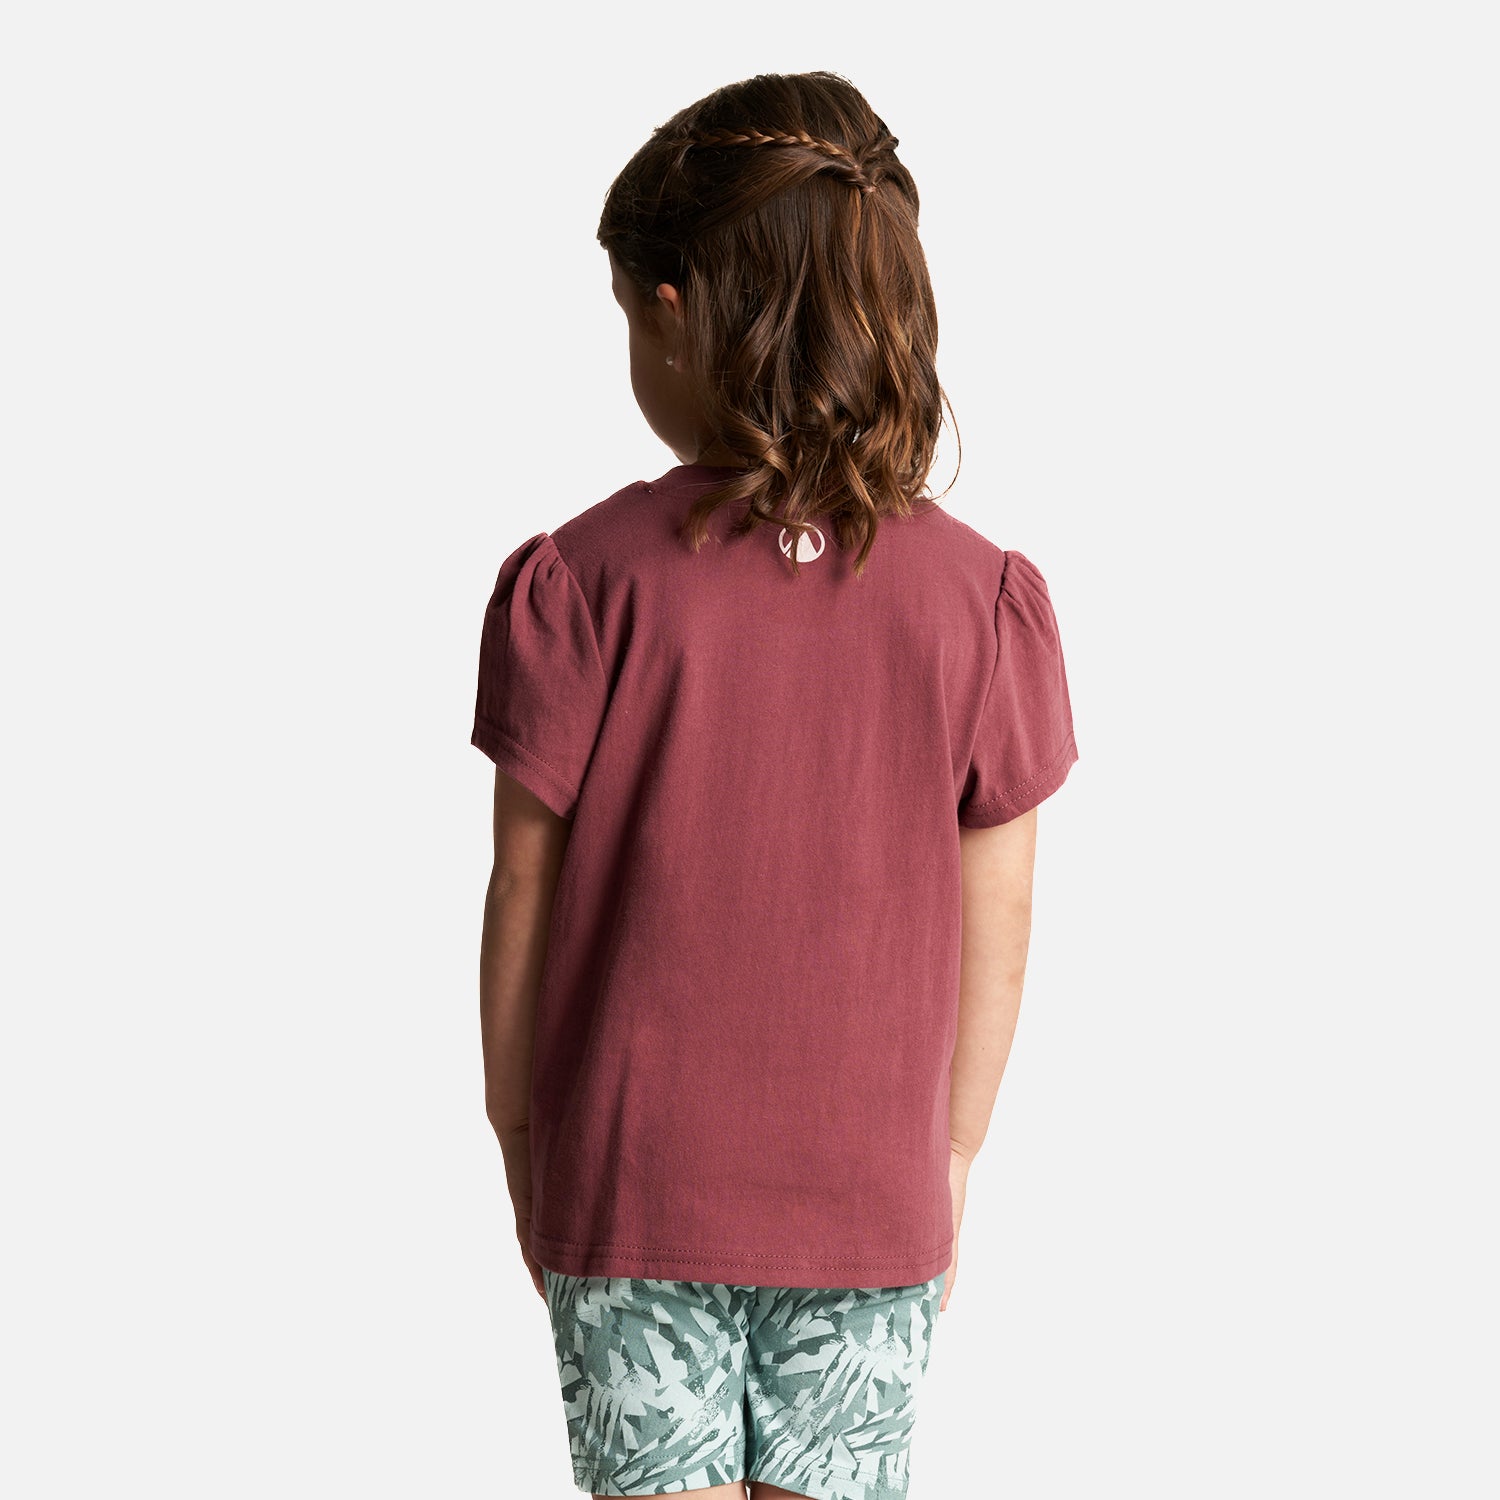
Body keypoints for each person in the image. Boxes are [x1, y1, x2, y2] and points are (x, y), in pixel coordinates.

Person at [470, 70, 1080, 1500]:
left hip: (631, 1189)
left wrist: (519, 1135)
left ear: (676, 314)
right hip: (870, 1204)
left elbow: (522, 898)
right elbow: (1001, 920)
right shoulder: (982, 603)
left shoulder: (581, 583)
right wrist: (953, 1157)